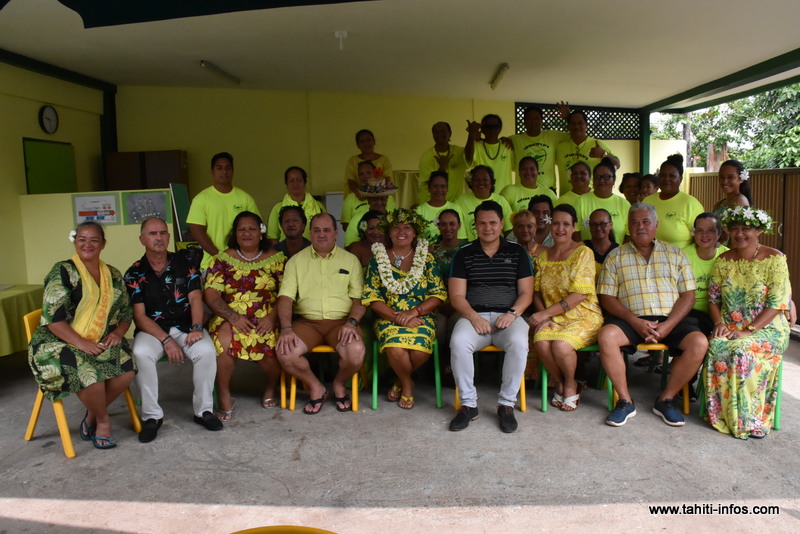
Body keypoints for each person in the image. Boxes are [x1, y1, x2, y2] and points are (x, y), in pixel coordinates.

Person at [597, 202, 708, 427]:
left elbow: (688, 296)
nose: (641, 227)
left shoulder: (675, 253)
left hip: (672, 320)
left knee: (699, 342)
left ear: (656, 225)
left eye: (646, 222)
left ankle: (666, 400)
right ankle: (625, 402)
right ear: (628, 226)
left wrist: (668, 326)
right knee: (606, 336)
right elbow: (607, 297)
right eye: (635, 222)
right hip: (631, 319)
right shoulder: (615, 257)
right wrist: (633, 321)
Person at [28, 222, 135, 449]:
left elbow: (126, 311)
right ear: (75, 242)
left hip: (98, 338)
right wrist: (81, 343)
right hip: (57, 342)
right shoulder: (62, 271)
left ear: (103, 244)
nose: (87, 244)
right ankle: (103, 421)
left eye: (94, 240)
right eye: (82, 239)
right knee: (89, 370)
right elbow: (53, 319)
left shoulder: (113, 275)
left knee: (127, 368)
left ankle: (91, 417)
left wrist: (118, 332)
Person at [124, 218, 221, 442]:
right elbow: (139, 316)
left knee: (206, 351)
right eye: (152, 234)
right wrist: (166, 340)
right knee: (141, 353)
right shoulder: (134, 273)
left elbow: (196, 298)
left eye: (163, 233)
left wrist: (197, 327)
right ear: (142, 239)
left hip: (187, 326)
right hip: (153, 330)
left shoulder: (186, 262)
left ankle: (204, 411)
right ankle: (152, 417)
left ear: (169, 237)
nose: (158, 237)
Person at [704, 207, 791, 439]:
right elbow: (712, 300)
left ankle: (750, 419)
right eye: (735, 229)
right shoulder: (723, 261)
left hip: (768, 329)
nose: (739, 234)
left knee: (742, 350)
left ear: (759, 230)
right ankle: (721, 414)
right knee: (716, 345)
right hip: (732, 327)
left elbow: (777, 303)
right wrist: (718, 323)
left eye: (746, 229)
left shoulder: (775, 259)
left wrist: (748, 330)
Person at [448, 200, 533, 433]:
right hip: (474, 316)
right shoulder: (464, 254)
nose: (488, 228)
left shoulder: (517, 252)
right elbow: (456, 296)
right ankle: (468, 405)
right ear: (474, 225)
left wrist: (513, 313)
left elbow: (527, 293)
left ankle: (506, 405)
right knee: (458, 342)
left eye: (493, 222)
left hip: (509, 317)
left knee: (518, 342)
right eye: (482, 223)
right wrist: (474, 317)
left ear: (502, 224)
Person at [276, 213, 366, 414]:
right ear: (310, 233)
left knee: (356, 352)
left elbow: (359, 300)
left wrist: (352, 322)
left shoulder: (350, 260)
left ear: (336, 233)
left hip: (341, 323)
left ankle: (339, 383)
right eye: (317, 230)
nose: (322, 235)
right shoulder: (296, 262)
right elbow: (285, 299)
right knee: (285, 353)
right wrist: (286, 328)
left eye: (327, 230)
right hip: (307, 324)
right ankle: (316, 386)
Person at [204, 212, 286, 421]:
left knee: (273, 348)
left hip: (267, 317)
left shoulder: (277, 259)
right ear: (235, 233)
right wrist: (233, 317)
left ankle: (271, 385)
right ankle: (224, 393)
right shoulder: (221, 260)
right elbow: (212, 294)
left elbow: (287, 294)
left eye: (252, 228)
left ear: (261, 233)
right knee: (223, 341)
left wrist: (273, 318)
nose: (247, 233)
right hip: (230, 316)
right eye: (241, 229)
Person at [362, 209, 446, 409]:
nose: (401, 231)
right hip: (387, 317)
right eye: (396, 227)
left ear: (415, 232)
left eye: (407, 227)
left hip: (420, 315)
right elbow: (371, 296)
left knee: (419, 350)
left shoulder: (427, 259)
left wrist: (414, 312)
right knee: (395, 348)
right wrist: (396, 317)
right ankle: (408, 385)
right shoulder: (378, 259)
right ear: (389, 233)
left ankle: (400, 380)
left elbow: (438, 294)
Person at [529, 205, 603, 411]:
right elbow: (536, 292)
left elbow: (579, 295)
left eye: (566, 224)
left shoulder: (583, 252)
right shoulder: (543, 257)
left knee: (561, 345)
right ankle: (558, 381)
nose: (560, 228)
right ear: (550, 225)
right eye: (556, 223)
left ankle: (571, 382)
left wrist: (545, 314)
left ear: (574, 227)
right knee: (541, 342)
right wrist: (544, 318)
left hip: (583, 315)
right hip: (553, 317)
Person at [187, 152, 260, 270]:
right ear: (212, 171)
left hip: (243, 264)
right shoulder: (201, 199)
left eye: (228, 168)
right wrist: (220, 257)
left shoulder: (245, 198)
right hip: (212, 264)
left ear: (233, 171)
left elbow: (257, 228)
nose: (224, 172)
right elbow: (197, 232)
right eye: (219, 168)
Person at [642, 154, 704, 248]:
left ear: (680, 178)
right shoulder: (647, 201)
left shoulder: (691, 204)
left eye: (672, 176)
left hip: (681, 260)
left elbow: (701, 239)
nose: (667, 179)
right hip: (650, 260)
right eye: (663, 175)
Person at [506, 104, 570, 192]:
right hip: (523, 190)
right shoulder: (514, 139)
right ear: (524, 121)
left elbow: (574, 134)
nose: (533, 122)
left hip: (548, 190)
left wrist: (568, 117)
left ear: (541, 121)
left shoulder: (552, 136)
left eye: (536, 118)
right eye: (529, 119)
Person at [556, 110, 620, 195]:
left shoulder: (596, 143)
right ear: (568, 126)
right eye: (573, 123)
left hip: (590, 197)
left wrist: (603, 154)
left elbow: (617, 164)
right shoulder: (561, 147)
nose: (577, 126)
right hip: (567, 198)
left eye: (580, 123)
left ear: (586, 125)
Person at [575, 158, 630, 244]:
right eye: (597, 177)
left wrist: (620, 253)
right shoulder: (581, 201)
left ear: (614, 179)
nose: (601, 180)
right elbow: (575, 231)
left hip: (618, 255)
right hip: (587, 255)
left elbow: (629, 234)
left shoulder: (624, 204)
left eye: (606, 177)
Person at [266, 166, 325, 243]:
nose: (295, 183)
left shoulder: (318, 206)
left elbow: (326, 231)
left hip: (314, 251)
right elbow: (273, 237)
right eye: (291, 180)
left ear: (305, 182)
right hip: (286, 252)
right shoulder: (278, 208)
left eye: (299, 180)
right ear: (286, 184)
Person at [454, 165, 513, 241]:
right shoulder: (460, 201)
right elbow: (460, 237)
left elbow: (509, 231)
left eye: (485, 179)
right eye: (477, 180)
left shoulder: (501, 201)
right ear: (471, 182)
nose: (481, 182)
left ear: (491, 182)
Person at [418, 122, 468, 203]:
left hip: (454, 203)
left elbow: (470, 156)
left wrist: (471, 136)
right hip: (431, 203)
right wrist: (442, 167)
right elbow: (431, 185)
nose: (439, 134)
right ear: (433, 135)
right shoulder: (426, 157)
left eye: (443, 131)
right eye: (436, 132)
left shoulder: (459, 152)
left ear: (450, 133)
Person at [465, 114, 515, 191]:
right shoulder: (476, 146)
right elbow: (468, 159)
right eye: (488, 127)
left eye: (495, 126)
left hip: (504, 197)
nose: (492, 130)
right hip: (483, 196)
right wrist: (471, 135)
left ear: (500, 129)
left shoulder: (507, 146)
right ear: (482, 129)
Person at [341, 161, 396, 229]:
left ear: (375, 174)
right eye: (361, 174)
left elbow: (394, 221)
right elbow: (345, 226)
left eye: (369, 173)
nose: (365, 176)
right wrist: (362, 229)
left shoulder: (388, 197)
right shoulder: (350, 198)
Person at [415, 171, 467, 242]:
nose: (439, 190)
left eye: (443, 186)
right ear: (429, 188)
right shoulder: (419, 211)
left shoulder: (455, 208)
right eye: (435, 186)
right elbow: (415, 239)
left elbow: (461, 238)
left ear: (447, 188)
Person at [343, 129, 393, 197]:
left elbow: (387, 179)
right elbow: (351, 181)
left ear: (374, 142)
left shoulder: (384, 160)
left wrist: (376, 194)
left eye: (369, 140)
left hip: (380, 199)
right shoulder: (352, 161)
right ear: (358, 145)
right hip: (358, 198)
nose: (366, 143)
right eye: (362, 141)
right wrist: (359, 192)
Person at [583, 208, 619, 281]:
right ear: (589, 226)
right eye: (594, 224)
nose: (598, 228)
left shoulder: (618, 251)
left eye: (603, 224)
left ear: (611, 225)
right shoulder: (581, 249)